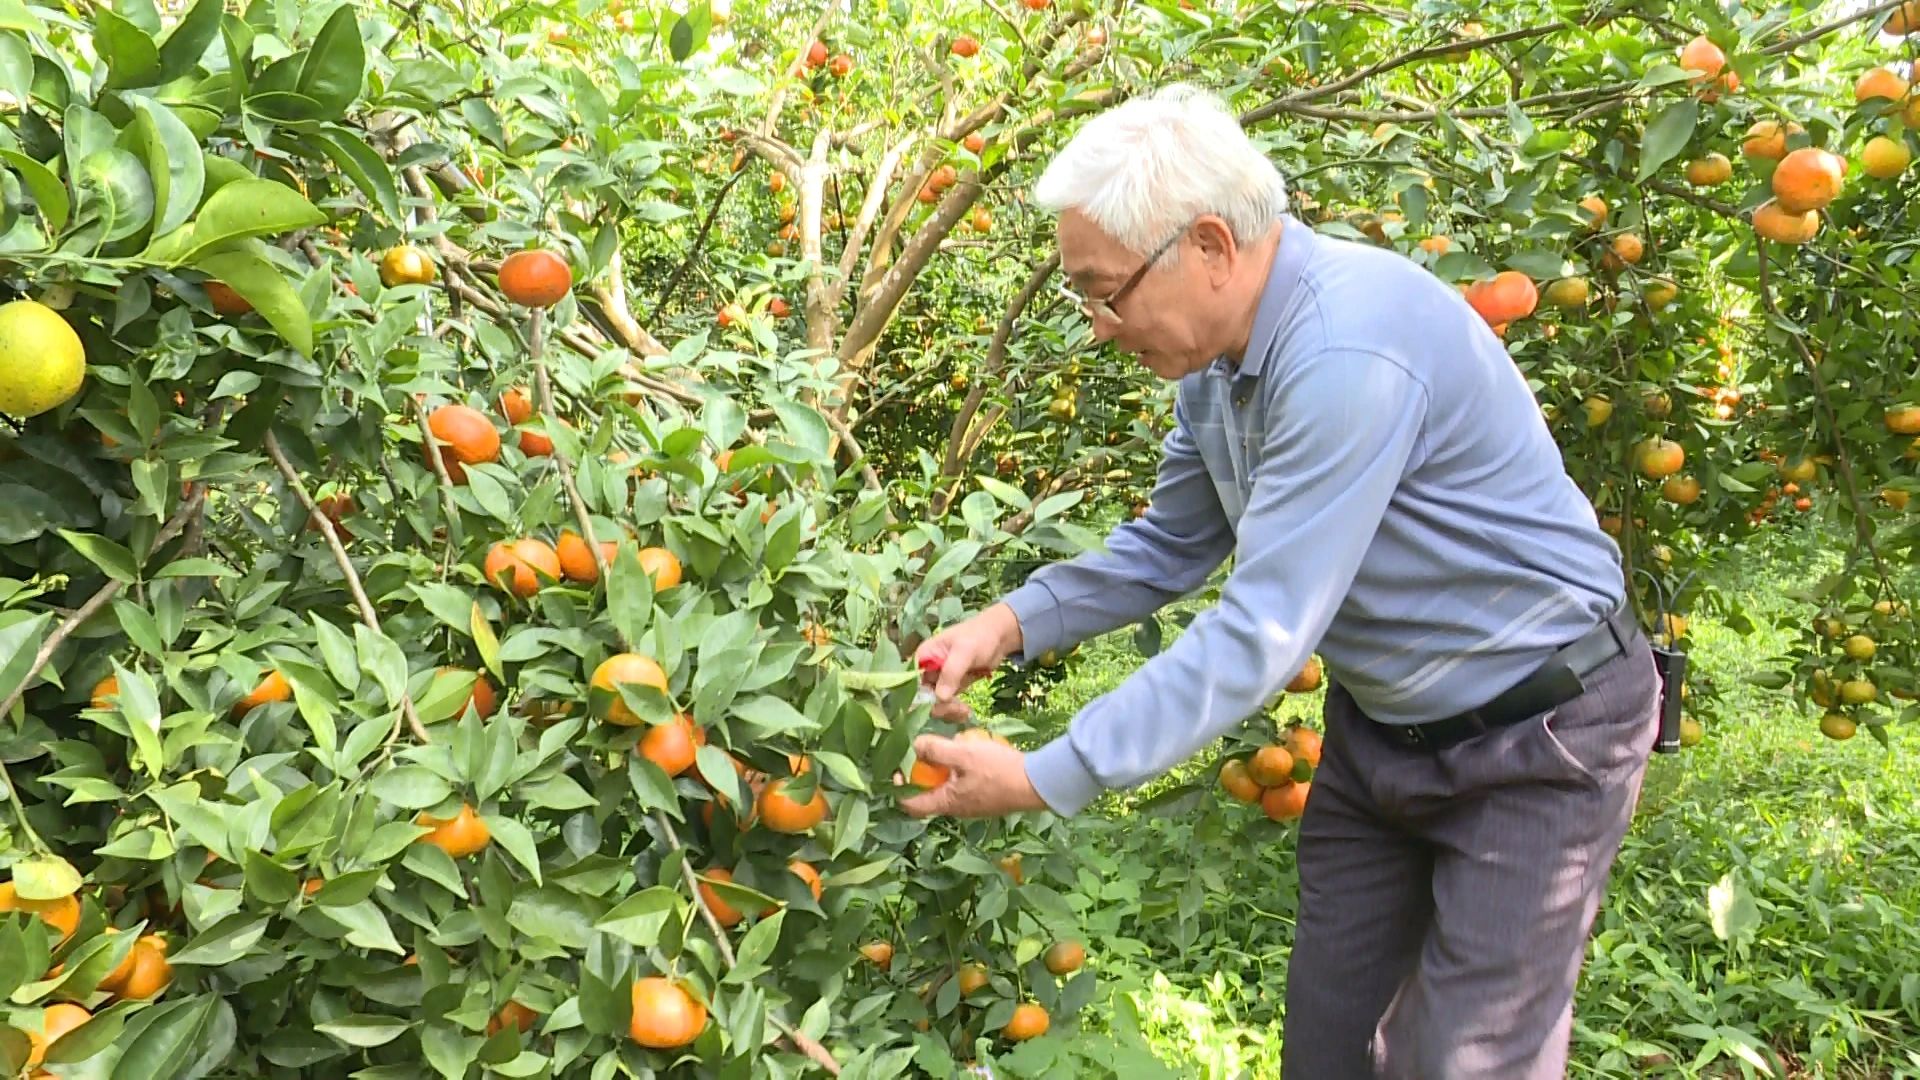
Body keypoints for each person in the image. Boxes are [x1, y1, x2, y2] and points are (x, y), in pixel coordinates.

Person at [898, 84, 1661, 1079]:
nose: (1096, 323)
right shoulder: (1220, 369)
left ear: (1210, 248)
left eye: (1105, 289)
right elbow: (1169, 547)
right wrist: (1008, 622)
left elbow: (1261, 629)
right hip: (1385, 733)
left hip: (1541, 731)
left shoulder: (1346, 347)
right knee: (1331, 1046)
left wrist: (1048, 774)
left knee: (1469, 1059)